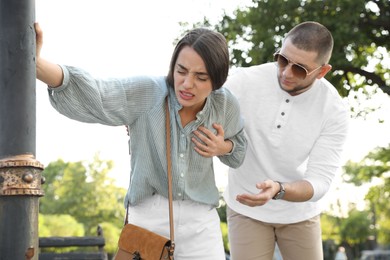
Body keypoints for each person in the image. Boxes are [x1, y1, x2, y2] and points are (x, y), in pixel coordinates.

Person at [34, 23, 247, 260]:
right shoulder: (149, 92)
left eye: (201, 77)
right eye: (181, 70)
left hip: (201, 223)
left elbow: (239, 153)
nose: (187, 83)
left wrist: (223, 147)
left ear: (217, 80)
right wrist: (38, 65)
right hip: (149, 217)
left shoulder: (225, 104)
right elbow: (98, 93)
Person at [223, 21, 350, 260]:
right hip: (245, 206)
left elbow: (320, 181)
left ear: (322, 71)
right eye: (282, 60)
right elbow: (200, 102)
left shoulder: (334, 110)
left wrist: (279, 190)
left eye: (300, 69)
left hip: (299, 214)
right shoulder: (243, 81)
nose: (286, 73)